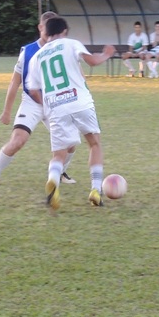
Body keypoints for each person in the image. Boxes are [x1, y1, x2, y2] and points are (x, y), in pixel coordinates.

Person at [25, 16, 117, 209]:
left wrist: (47, 106)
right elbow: (91, 61)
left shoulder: (37, 57)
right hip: (80, 102)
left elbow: (33, 90)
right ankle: (95, 189)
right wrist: (106, 54)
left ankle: (53, 180)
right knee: (94, 144)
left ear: (46, 33)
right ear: (64, 31)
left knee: (59, 154)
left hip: (56, 108)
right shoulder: (70, 44)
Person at [0, 11, 76, 187]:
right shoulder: (28, 51)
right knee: (18, 141)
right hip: (32, 102)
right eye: (46, 27)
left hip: (55, 103)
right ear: (41, 27)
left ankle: (61, 171)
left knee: (70, 142)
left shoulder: (63, 50)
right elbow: (14, 82)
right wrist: (6, 111)